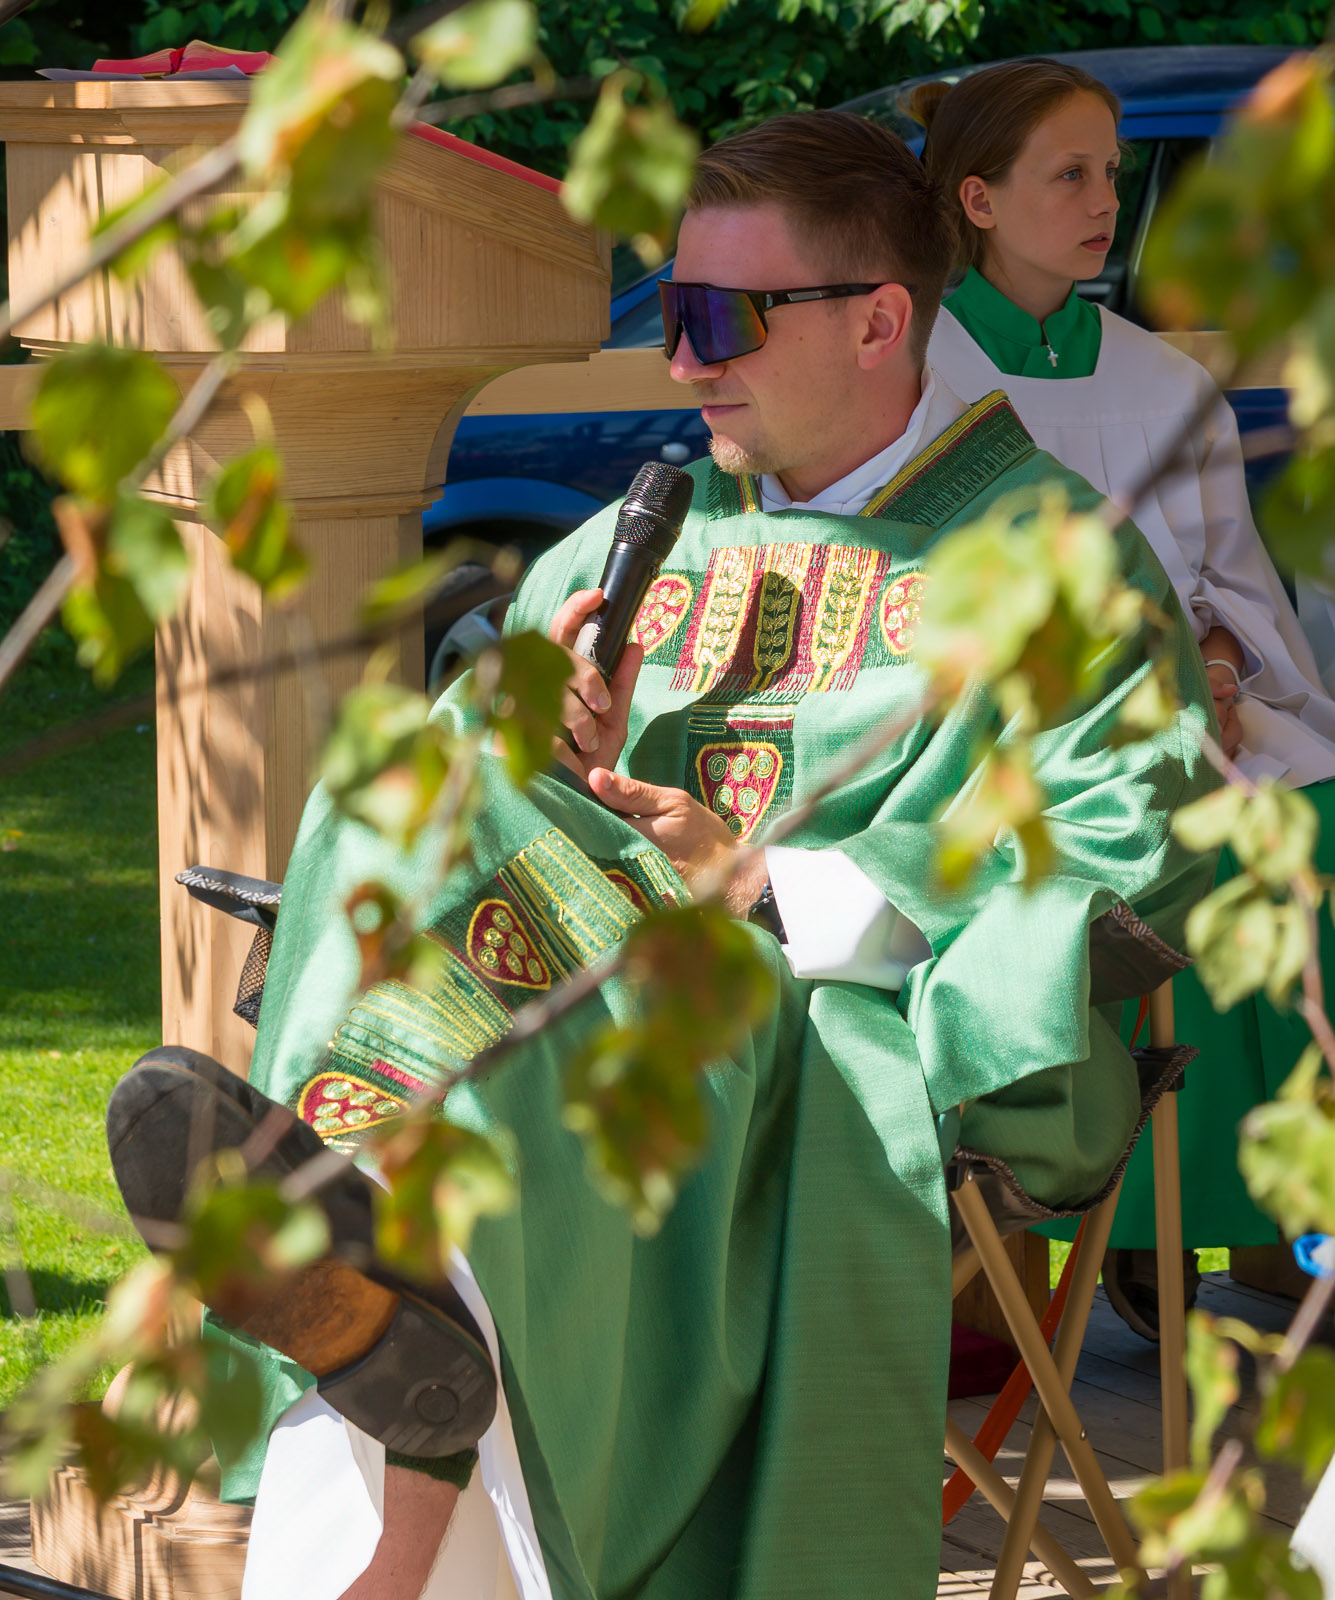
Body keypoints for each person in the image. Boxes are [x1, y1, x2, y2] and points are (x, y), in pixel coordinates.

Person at [200, 110, 1216, 1599]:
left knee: (496, 1087)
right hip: (555, 995)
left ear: (878, 320)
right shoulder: (638, 538)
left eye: (715, 316)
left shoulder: (1053, 565)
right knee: (411, 777)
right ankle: (374, 1284)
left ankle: (372, 1396)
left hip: (815, 1027)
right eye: (672, 313)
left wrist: (763, 886)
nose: (679, 360)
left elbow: (1126, 842)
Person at [918, 57, 1335, 1333]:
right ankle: (1145, 1228)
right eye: (1074, 175)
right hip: (998, 737)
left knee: (1307, 826)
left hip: (1188, 718)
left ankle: (1273, 1224)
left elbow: (1231, 588)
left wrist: (1212, 665)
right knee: (1143, 854)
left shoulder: (1166, 386)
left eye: (1111, 169)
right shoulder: (909, 369)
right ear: (978, 199)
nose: (1109, 199)